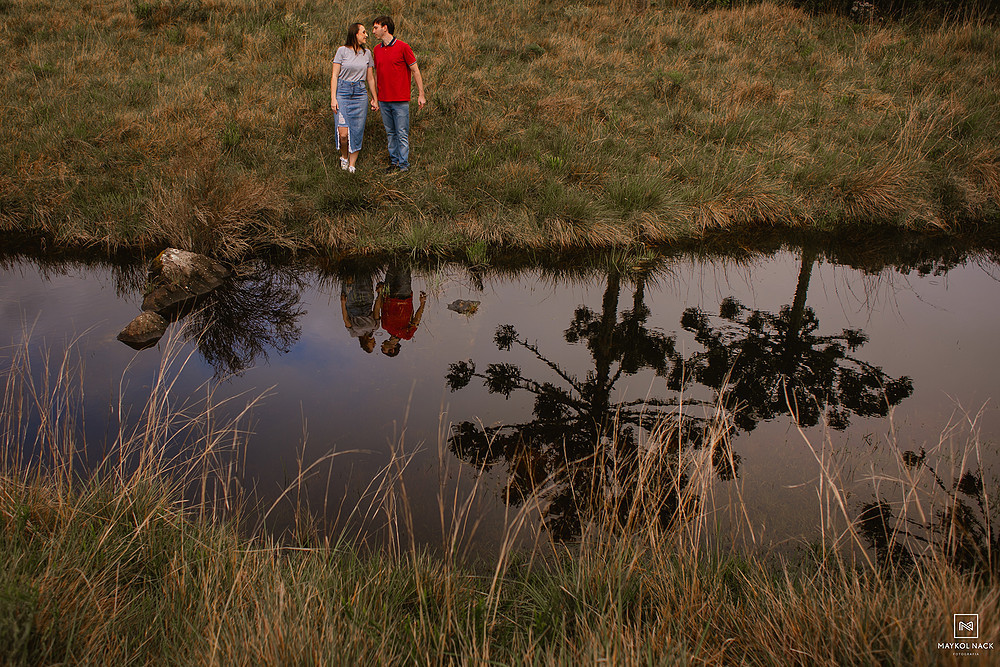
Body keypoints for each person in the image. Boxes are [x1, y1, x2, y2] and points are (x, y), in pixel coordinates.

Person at [371, 15, 426, 173]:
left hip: (400, 99)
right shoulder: (376, 49)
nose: (373, 31)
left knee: (401, 132)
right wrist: (375, 98)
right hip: (384, 99)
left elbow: (415, 70)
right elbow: (376, 75)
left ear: (385, 28)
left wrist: (421, 94)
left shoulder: (403, 47)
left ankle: (403, 166)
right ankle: (394, 162)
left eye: (376, 27)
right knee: (390, 133)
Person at [331, 23, 379, 174]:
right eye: (363, 32)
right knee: (343, 134)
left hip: (360, 94)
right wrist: (333, 98)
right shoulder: (342, 51)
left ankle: (352, 165)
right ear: (355, 34)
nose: (366, 35)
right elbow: (334, 76)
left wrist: (374, 98)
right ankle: (344, 156)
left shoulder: (367, 54)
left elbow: (370, 78)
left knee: (357, 130)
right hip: (343, 93)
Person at [378, 260, 426, 357]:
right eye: (384, 349)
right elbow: (416, 320)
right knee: (404, 268)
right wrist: (422, 304)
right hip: (404, 295)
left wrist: (380, 293)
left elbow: (382, 308)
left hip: (388, 293)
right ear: (392, 350)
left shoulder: (384, 326)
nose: (381, 346)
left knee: (392, 266)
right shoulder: (407, 335)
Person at [341, 268, 382, 353]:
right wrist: (380, 294)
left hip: (351, 303)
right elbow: (376, 310)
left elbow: (346, 319)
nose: (374, 344)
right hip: (367, 300)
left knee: (349, 276)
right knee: (365, 273)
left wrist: (342, 303)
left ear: (365, 345)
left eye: (372, 347)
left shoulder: (354, 333)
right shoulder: (375, 327)